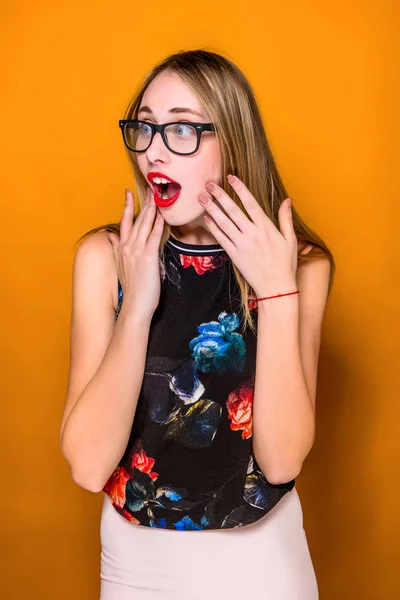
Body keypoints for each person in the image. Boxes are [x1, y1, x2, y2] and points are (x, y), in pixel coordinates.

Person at [60, 49, 334, 599]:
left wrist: (277, 291)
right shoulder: (105, 259)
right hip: (136, 568)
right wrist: (136, 306)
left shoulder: (302, 264)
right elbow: (89, 467)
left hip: (264, 563)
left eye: (182, 129)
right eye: (146, 128)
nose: (154, 152)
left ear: (231, 138)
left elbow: (281, 460)